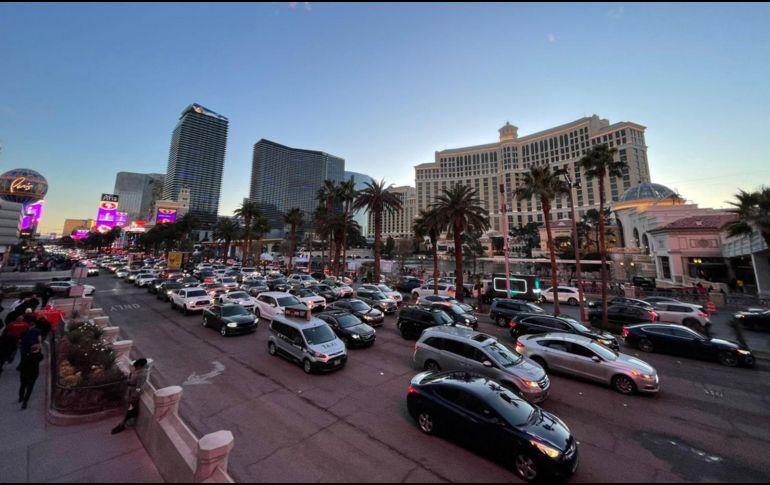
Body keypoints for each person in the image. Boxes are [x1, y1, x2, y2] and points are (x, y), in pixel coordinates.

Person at [112, 358, 149, 434]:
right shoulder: (138, 372)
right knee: (129, 410)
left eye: (137, 366)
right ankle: (123, 423)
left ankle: (125, 425)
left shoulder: (142, 375)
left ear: (140, 366)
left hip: (133, 396)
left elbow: (139, 388)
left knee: (131, 411)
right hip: (130, 392)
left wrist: (134, 396)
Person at [17, 343, 43, 410]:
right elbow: (41, 356)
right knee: (29, 389)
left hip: (24, 374)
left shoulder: (26, 356)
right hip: (33, 375)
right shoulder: (38, 356)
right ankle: (25, 402)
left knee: (22, 386)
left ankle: (20, 398)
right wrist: (39, 350)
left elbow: (20, 366)